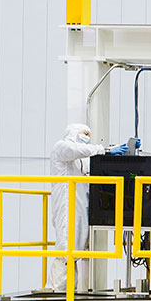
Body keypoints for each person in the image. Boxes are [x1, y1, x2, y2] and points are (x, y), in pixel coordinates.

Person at [47, 123, 103, 291]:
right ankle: (54, 291)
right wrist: (104, 149)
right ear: (73, 133)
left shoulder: (82, 160)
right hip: (66, 205)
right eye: (83, 134)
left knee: (75, 252)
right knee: (65, 250)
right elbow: (74, 150)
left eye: (88, 135)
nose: (86, 137)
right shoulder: (62, 147)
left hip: (79, 208)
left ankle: (68, 292)